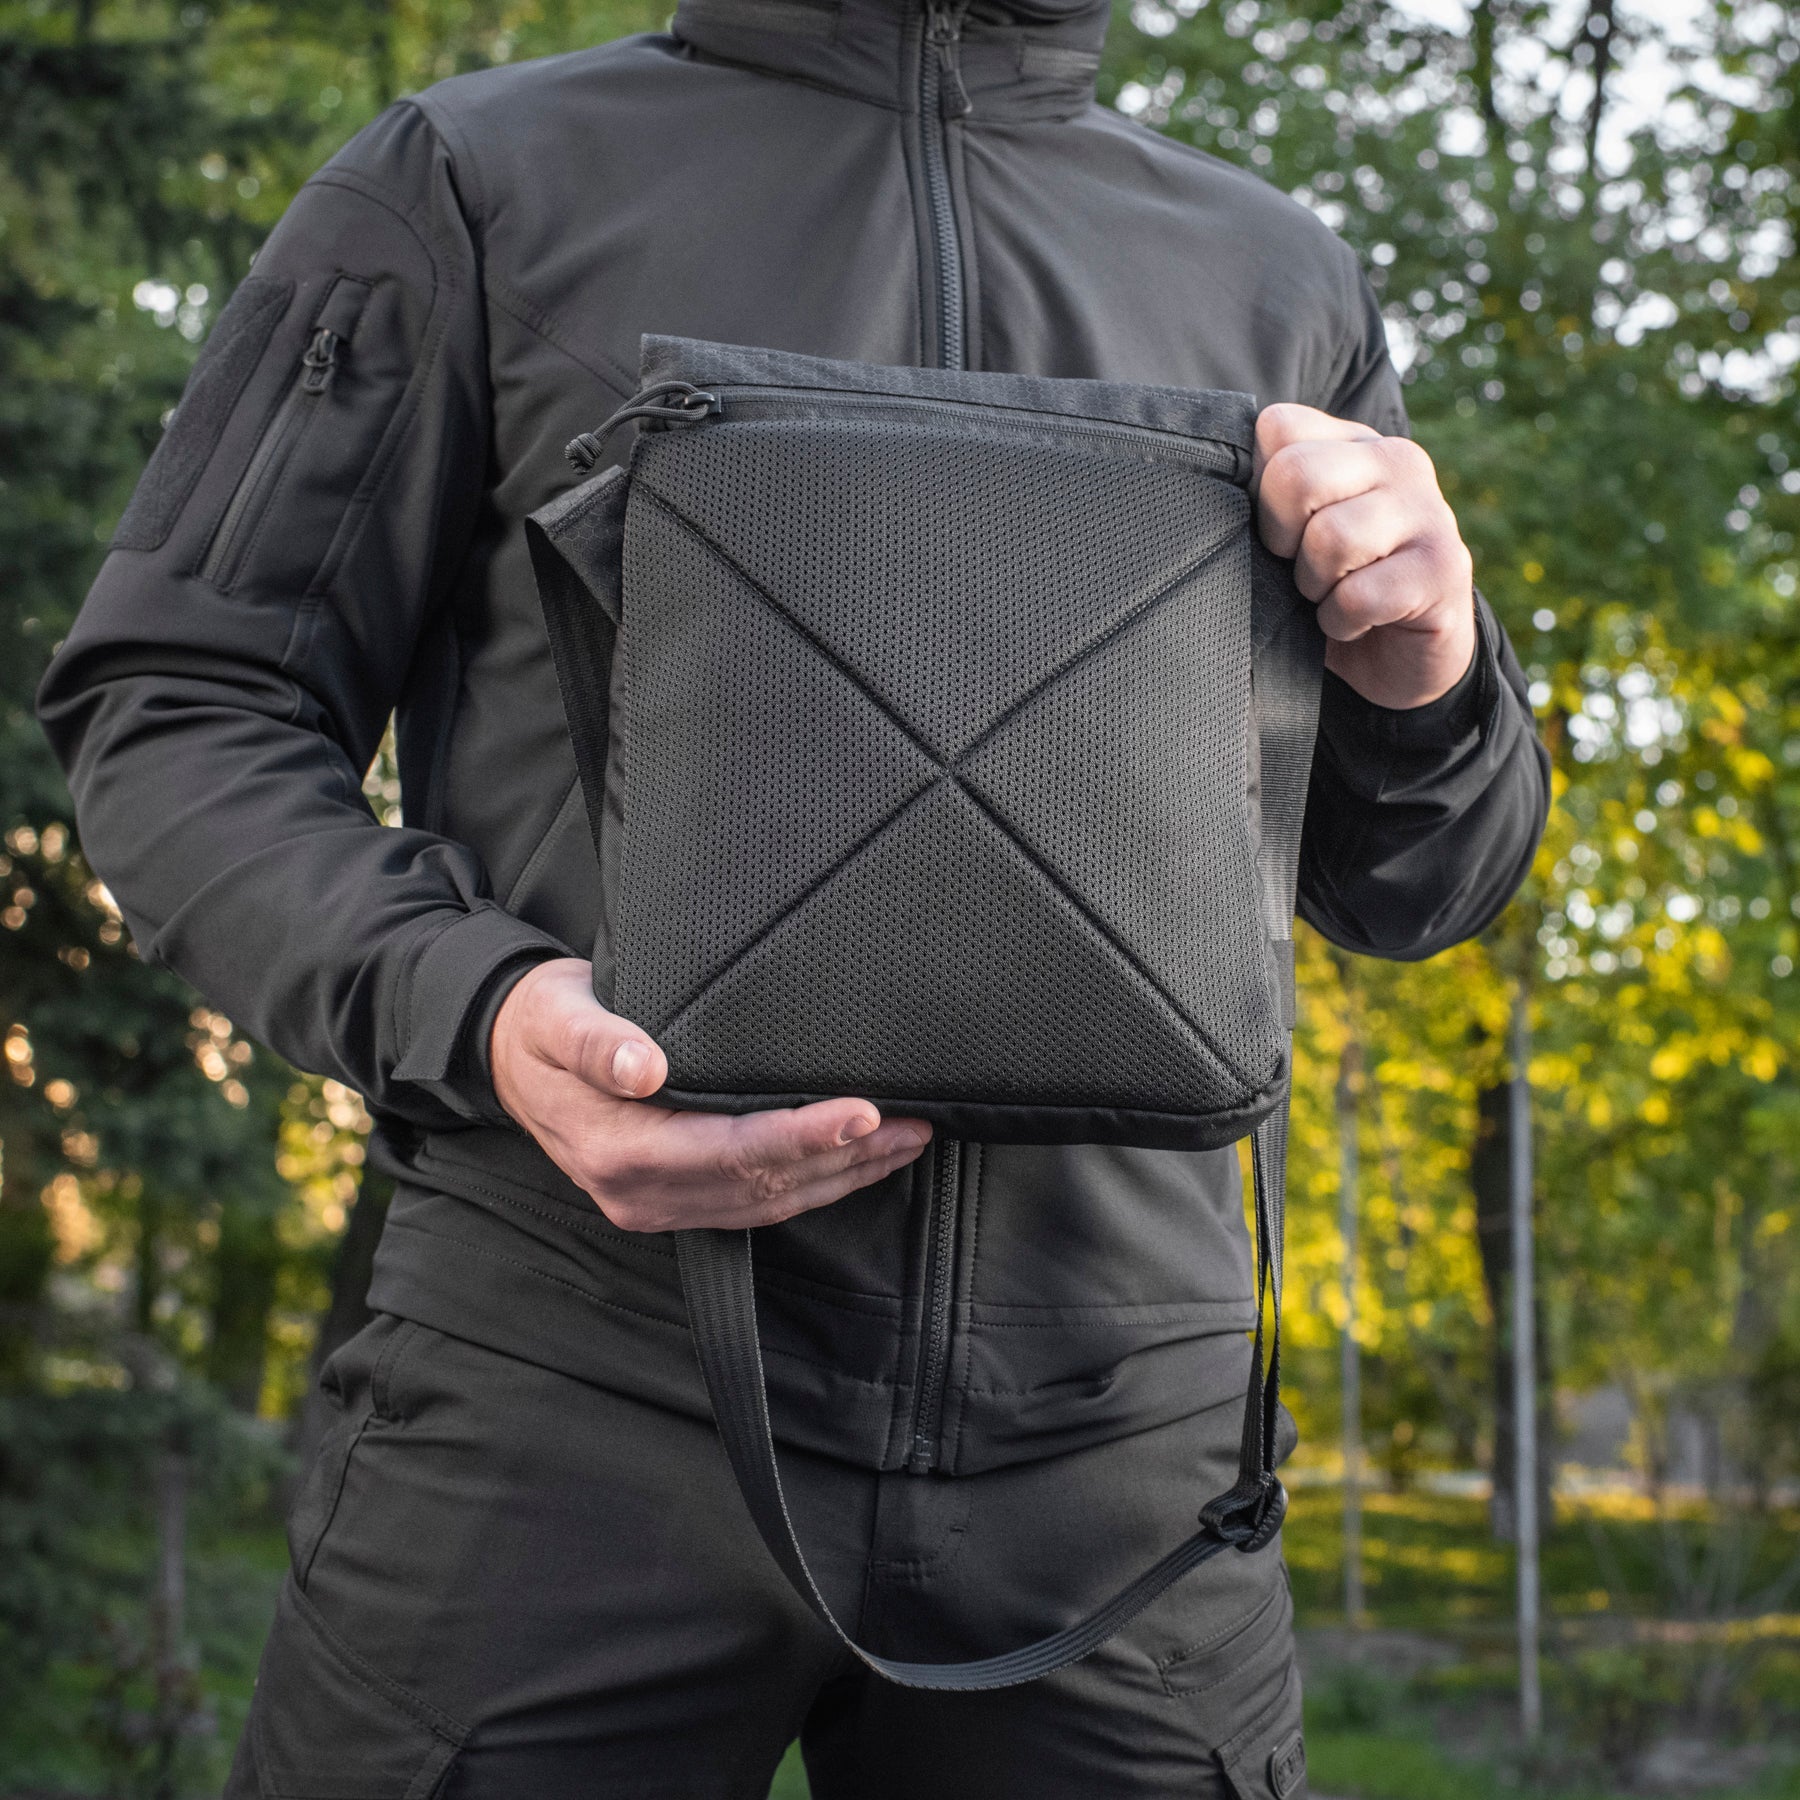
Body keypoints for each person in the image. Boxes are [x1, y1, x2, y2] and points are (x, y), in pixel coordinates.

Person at [38, 0, 1550, 1791]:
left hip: (1120, 1466)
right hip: (558, 1399)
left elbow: (1418, 882)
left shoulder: (1276, 274)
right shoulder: (475, 179)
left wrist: (1433, 673)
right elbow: (179, 703)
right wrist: (480, 1010)